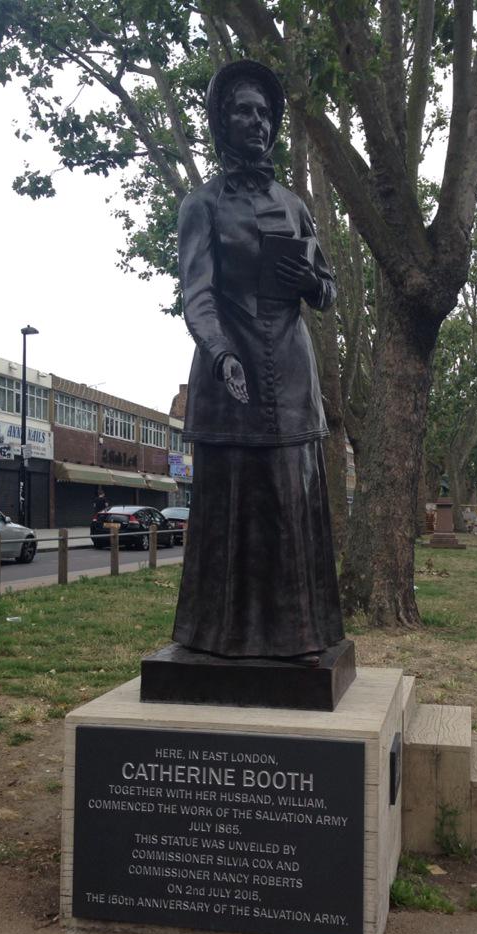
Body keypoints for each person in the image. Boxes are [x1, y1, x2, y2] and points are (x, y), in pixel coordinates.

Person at [171, 59, 344, 663]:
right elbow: (197, 294)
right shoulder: (202, 206)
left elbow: (326, 291)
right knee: (230, 509)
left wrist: (310, 278)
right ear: (223, 121)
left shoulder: (294, 205)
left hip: (293, 378)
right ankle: (216, 639)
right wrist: (220, 356)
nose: (257, 122)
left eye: (265, 114)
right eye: (244, 111)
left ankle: (297, 637)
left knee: (287, 505)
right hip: (229, 376)